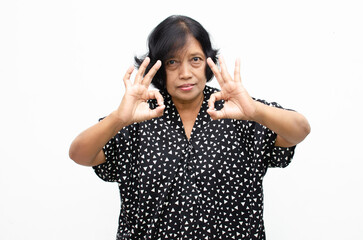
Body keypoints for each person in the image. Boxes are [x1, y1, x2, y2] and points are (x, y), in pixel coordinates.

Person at [69, 15, 310, 240]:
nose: (185, 73)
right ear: (158, 67)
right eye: (173, 62)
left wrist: (256, 111)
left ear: (207, 62)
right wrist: (118, 119)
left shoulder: (239, 110)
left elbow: (300, 130)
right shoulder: (137, 117)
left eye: (195, 59)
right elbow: (79, 154)